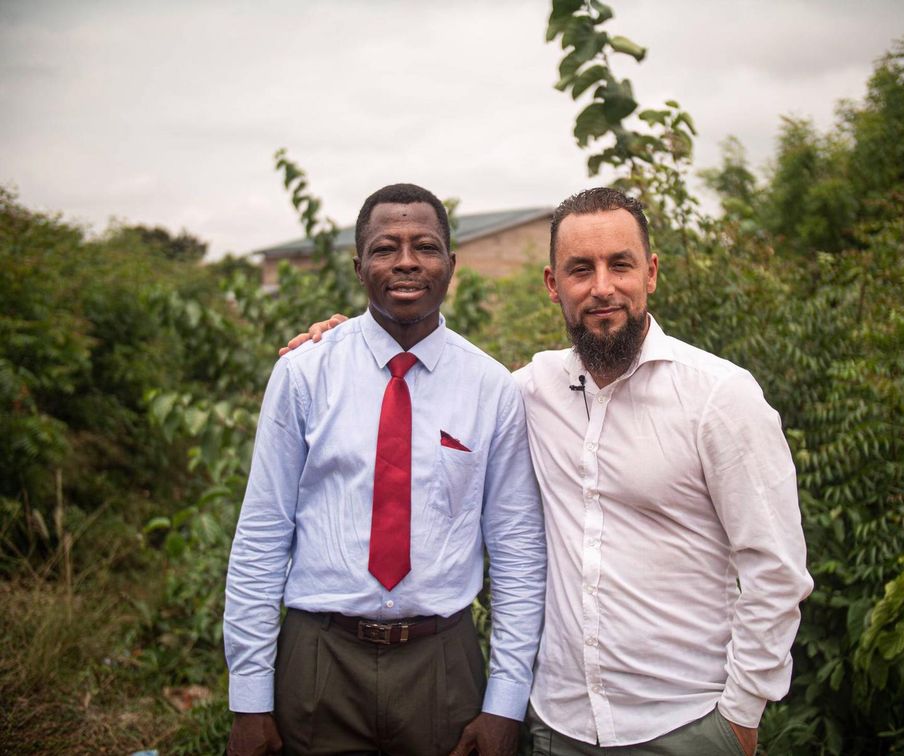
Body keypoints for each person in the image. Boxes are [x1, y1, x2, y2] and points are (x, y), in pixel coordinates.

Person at [287, 187, 813, 755]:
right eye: (580, 269)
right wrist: (346, 341)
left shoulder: (719, 397)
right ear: (552, 284)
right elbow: (429, 387)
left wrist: (740, 714)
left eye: (621, 265)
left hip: (686, 723)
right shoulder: (525, 392)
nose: (602, 287)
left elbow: (776, 570)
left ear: (652, 273)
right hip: (556, 726)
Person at [225, 183, 546, 756]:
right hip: (318, 657)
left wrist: (504, 703)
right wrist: (249, 698)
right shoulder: (304, 374)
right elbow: (262, 534)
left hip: (442, 661)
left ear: (451, 265)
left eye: (425, 246)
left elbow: (518, 553)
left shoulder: (492, 388)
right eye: (384, 248)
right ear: (358, 266)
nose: (405, 262)